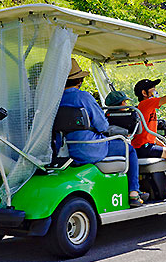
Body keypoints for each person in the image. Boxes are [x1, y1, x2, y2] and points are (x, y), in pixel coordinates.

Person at [59, 59, 145, 207]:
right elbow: (103, 126)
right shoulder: (84, 97)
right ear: (79, 80)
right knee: (129, 148)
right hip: (91, 149)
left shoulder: (56, 100)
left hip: (67, 150)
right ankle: (134, 192)